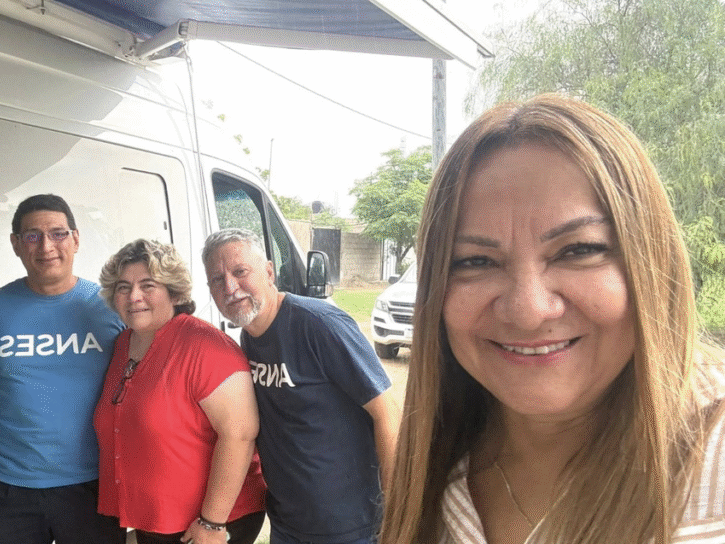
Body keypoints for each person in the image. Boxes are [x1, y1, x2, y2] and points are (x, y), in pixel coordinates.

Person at [380, 94, 725, 544]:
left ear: (650, 261)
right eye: (475, 261)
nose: (528, 311)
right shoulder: (436, 461)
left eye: (578, 250)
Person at [202, 229, 398, 544]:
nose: (230, 287)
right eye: (217, 279)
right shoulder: (248, 338)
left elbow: (387, 413)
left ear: (269, 272)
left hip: (350, 528)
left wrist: (398, 514)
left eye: (240, 272)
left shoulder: (319, 324)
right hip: (288, 525)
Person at [0, 194, 125, 544]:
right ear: (16, 244)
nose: (46, 246)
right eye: (32, 236)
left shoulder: (111, 307)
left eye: (58, 233)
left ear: (76, 239)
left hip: (93, 483)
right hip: (11, 487)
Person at [94, 239, 265, 544]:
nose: (134, 297)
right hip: (157, 521)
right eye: (123, 287)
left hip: (207, 524)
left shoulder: (205, 346)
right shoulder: (123, 344)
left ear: (173, 292)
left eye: (148, 285)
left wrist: (212, 523)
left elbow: (239, 433)